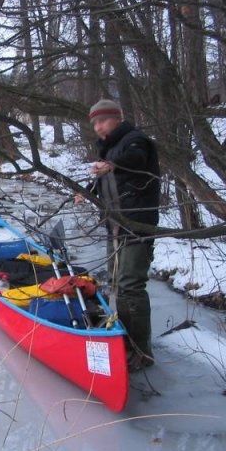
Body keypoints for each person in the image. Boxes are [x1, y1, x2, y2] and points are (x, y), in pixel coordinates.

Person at [79, 99, 161, 372]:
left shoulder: (136, 141)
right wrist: (86, 191)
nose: (98, 127)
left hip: (136, 226)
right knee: (117, 284)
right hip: (114, 228)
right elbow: (106, 178)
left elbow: (134, 161)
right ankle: (125, 342)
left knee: (130, 286)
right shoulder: (110, 149)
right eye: (94, 123)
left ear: (117, 118)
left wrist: (111, 164)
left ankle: (141, 353)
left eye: (102, 121)